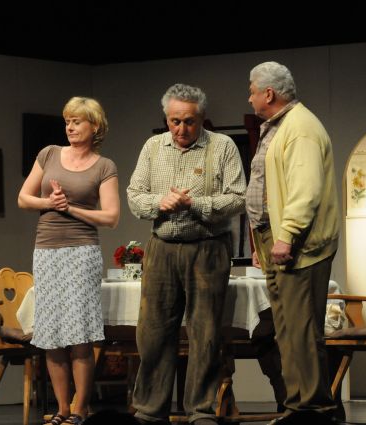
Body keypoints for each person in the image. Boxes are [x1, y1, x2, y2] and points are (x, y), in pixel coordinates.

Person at [127, 83, 246, 425]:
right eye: (175, 121)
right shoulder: (153, 147)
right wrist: (160, 202)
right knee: (153, 332)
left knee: (205, 333)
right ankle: (150, 410)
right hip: (162, 248)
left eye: (189, 121)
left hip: (207, 248)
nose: (181, 129)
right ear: (166, 118)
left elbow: (238, 197)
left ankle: (201, 410)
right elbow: (135, 195)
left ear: (202, 118)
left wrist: (196, 203)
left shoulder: (221, 146)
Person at [246, 62, 340, 425]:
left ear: (268, 93)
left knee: (302, 330)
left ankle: (315, 409)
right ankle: (297, 406)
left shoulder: (300, 128)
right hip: (275, 240)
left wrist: (286, 235)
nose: (249, 97)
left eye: (252, 90)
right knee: (286, 330)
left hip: (300, 246)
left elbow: (305, 189)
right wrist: (262, 241)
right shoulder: (280, 126)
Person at [18, 96, 120, 425]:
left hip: (82, 251)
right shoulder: (49, 154)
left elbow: (111, 217)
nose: (70, 127)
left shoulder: (104, 166)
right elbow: (24, 198)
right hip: (46, 250)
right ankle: (62, 409)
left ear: (95, 126)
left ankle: (80, 408)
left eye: (77, 121)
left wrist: (71, 209)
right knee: (52, 333)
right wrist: (49, 202)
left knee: (79, 334)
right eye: (67, 122)